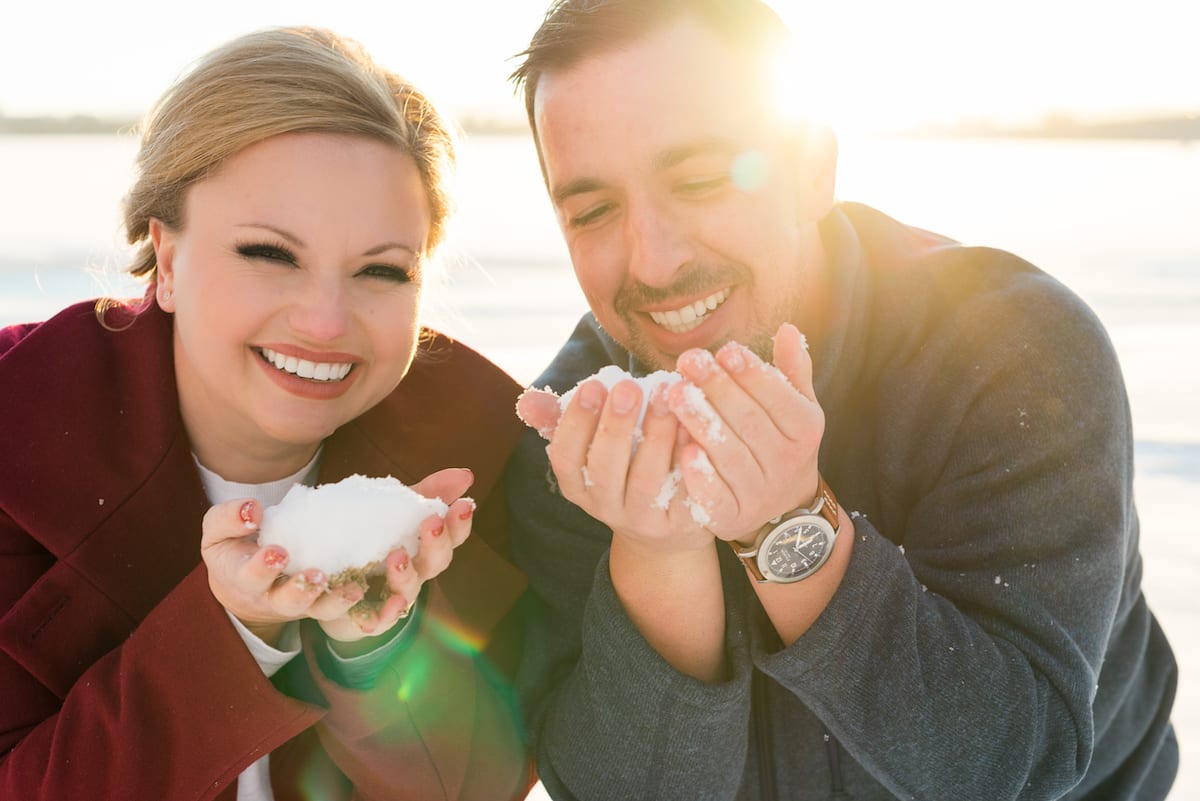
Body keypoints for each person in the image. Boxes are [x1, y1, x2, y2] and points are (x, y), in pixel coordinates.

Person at [505, 1, 1178, 799]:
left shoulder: (1012, 353)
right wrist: (656, 553)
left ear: (813, 168)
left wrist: (785, 524)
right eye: (592, 211)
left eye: (699, 179)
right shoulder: (573, 440)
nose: (652, 260)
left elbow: (1016, 768)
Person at [0, 27, 533, 801]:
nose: (324, 321)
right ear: (169, 258)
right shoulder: (18, 433)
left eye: (382, 269)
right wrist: (235, 631)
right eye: (269, 253)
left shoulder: (480, 447)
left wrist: (373, 648)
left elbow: (484, 787)